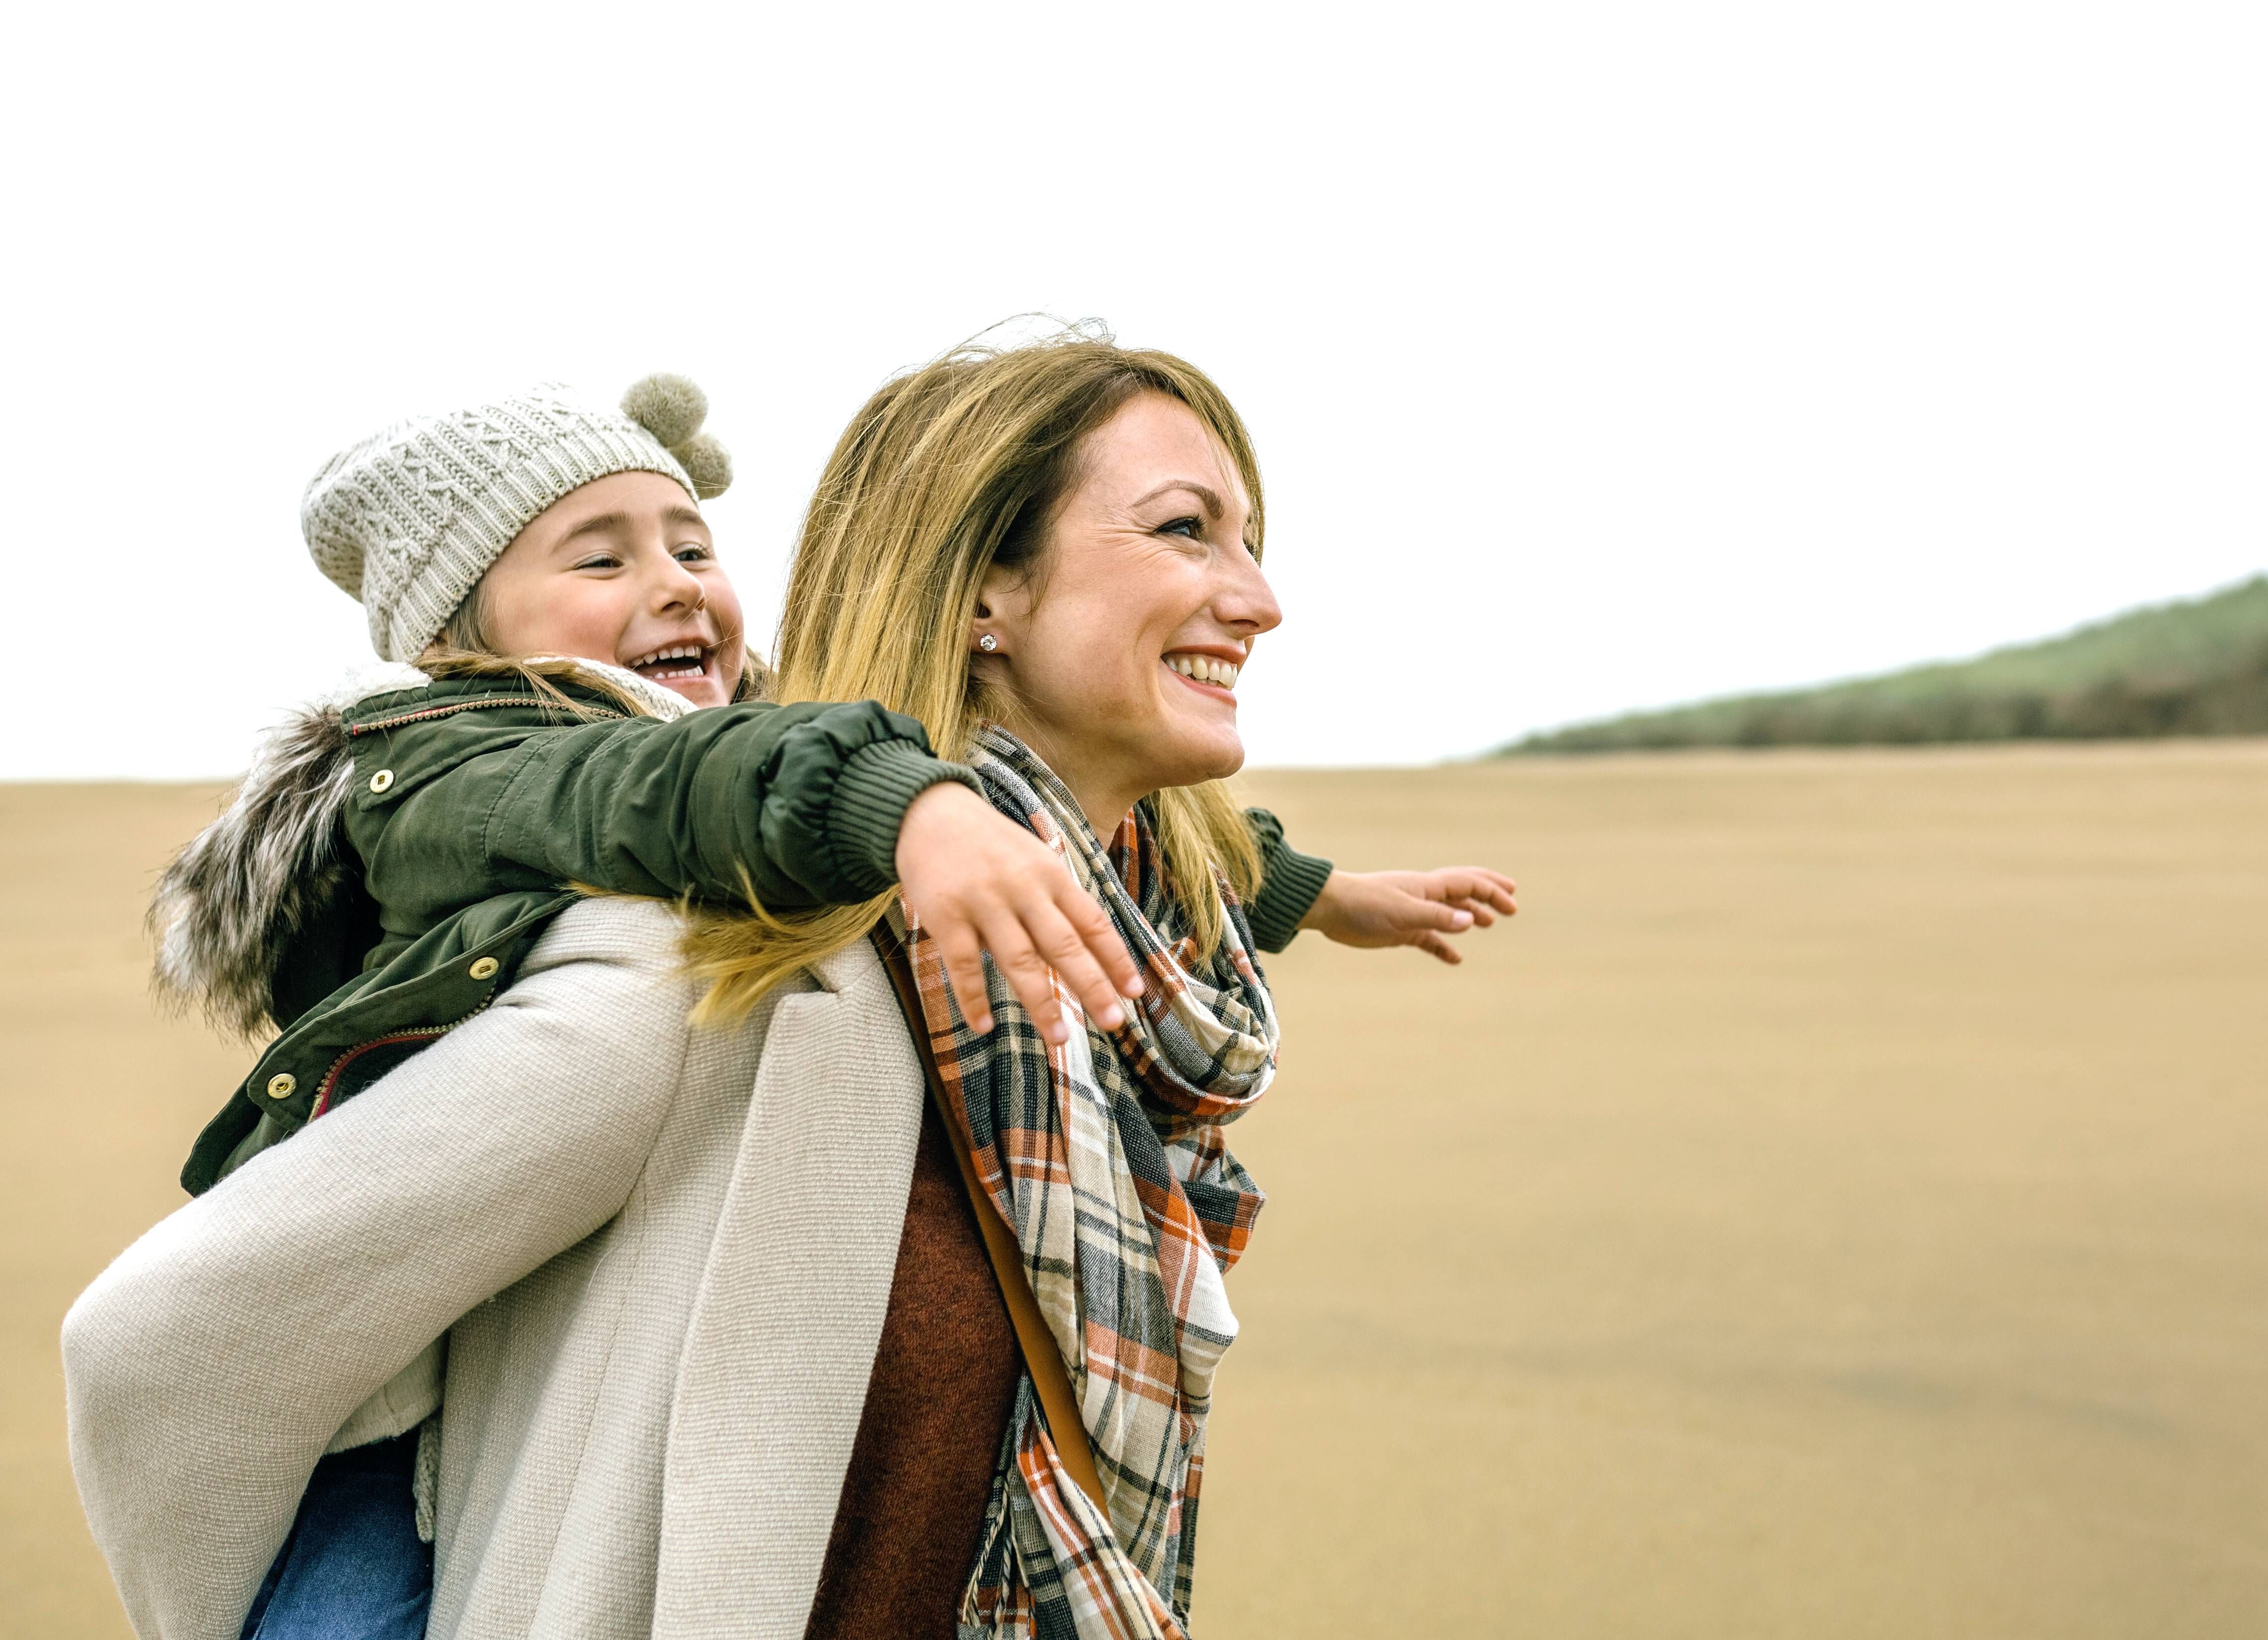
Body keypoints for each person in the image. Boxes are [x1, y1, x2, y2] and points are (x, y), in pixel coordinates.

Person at [71, 329, 1505, 1640]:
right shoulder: (699, 979)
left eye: (1248, 539)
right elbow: (160, 1352)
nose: (1257, 597)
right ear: (983, 590)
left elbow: (1188, 864)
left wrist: (1316, 893)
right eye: (1186, 529)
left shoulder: (1090, 977)